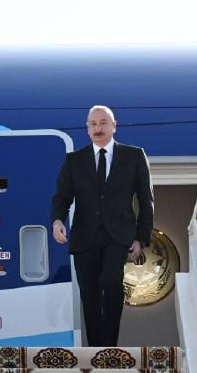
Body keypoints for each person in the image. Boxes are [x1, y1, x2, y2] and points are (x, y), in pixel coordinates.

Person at [50, 105, 154, 347]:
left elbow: (146, 200)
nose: (98, 128)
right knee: (89, 294)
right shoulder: (74, 160)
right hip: (85, 237)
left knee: (111, 282)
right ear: (87, 129)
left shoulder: (134, 156)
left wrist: (141, 239)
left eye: (103, 123)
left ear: (114, 126)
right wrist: (57, 221)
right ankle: (97, 349)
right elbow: (62, 196)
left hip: (118, 236)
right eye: (93, 124)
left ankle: (110, 347)